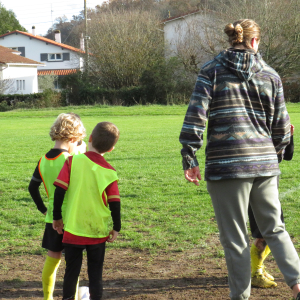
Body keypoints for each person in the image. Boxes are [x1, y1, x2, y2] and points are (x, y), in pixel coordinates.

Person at [179, 19, 300, 300]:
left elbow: (196, 114)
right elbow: (282, 126)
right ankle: (297, 285)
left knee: (235, 239)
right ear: (255, 42)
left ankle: (240, 297)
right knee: (275, 229)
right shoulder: (271, 75)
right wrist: (275, 155)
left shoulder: (210, 71)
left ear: (232, 39)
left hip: (226, 166)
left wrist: (189, 156)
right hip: (265, 164)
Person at [52, 121, 121, 300]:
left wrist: (57, 217)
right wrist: (117, 227)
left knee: (71, 273)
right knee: (95, 274)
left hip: (74, 228)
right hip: (97, 231)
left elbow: (59, 191)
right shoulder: (110, 171)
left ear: (89, 138)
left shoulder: (72, 161)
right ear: (111, 148)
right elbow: (115, 203)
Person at [28, 113, 86, 300]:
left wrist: (44, 209)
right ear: (72, 138)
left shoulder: (43, 160)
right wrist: (81, 153)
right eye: (77, 141)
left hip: (52, 217)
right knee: (72, 264)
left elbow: (32, 187)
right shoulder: (71, 160)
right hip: (72, 218)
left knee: (52, 259)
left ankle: (47, 298)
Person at [250, 124, 295, 288]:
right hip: (255, 184)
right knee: (263, 234)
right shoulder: (256, 128)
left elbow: (288, 156)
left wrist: (289, 136)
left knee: (274, 230)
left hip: (270, 185)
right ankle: (256, 273)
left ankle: (258, 268)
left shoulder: (276, 129)